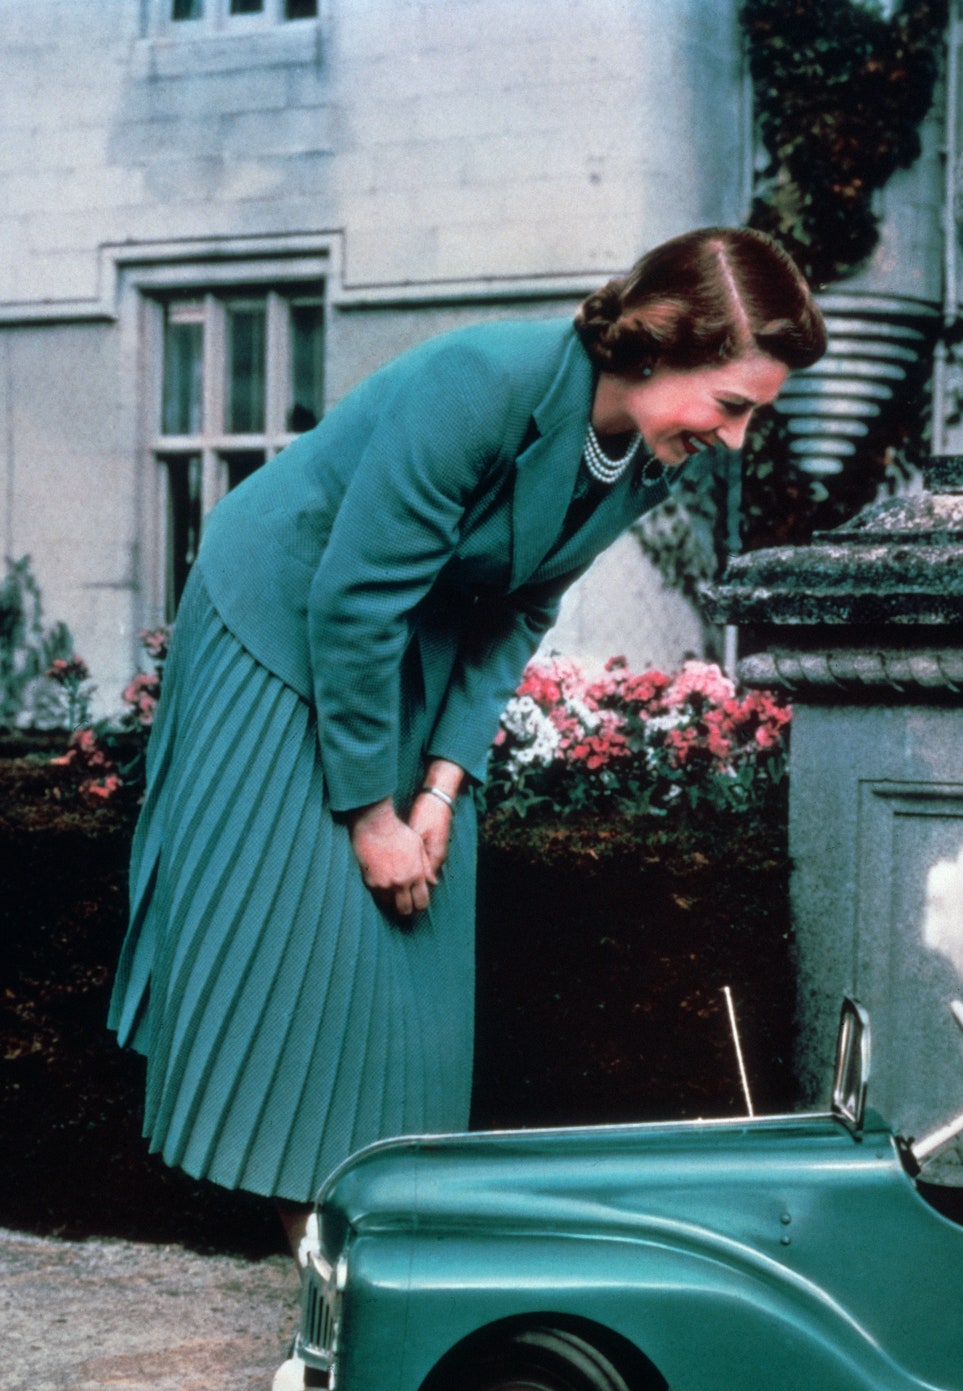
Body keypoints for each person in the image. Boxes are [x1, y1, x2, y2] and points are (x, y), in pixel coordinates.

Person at [109, 227, 826, 1251]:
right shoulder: (479, 382)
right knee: (309, 939)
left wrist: (441, 788)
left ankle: (387, 1244)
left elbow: (520, 614)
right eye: (732, 404)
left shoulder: (646, 457)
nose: (739, 439)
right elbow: (352, 602)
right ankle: (330, 1263)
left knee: (413, 956)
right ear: (656, 346)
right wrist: (368, 816)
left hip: (413, 640)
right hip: (279, 621)